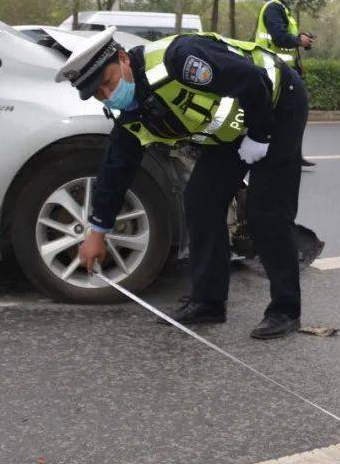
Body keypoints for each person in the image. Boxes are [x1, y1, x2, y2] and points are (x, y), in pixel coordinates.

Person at [55, 26, 309, 340]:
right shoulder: (132, 113)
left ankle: (285, 309)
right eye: (99, 94)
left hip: (276, 102)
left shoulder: (180, 59)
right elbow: (115, 171)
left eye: (108, 83)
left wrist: (260, 136)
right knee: (201, 201)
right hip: (233, 129)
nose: (108, 96)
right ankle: (208, 302)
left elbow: (252, 79)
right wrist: (98, 232)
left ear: (122, 58)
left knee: (266, 211)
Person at [255, 0, 316, 168]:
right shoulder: (273, 8)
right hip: (274, 70)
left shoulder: (282, 9)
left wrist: (301, 40)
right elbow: (280, 38)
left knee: (294, 115)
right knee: (290, 115)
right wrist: (299, 40)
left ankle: (294, 156)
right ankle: (283, 157)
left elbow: (287, 39)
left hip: (285, 70)